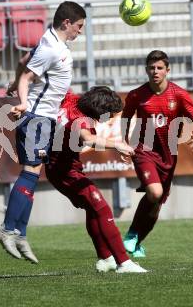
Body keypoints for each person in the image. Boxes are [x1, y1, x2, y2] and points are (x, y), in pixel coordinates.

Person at [0, 1, 86, 264]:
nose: (80, 32)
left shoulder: (53, 44)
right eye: (79, 27)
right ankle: (7, 228)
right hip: (35, 116)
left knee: (33, 173)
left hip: (43, 116)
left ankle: (19, 233)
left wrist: (13, 83)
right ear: (67, 23)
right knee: (30, 171)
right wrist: (21, 101)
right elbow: (27, 77)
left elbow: (24, 62)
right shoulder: (51, 47)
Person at [45, 86, 147, 273]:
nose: (110, 120)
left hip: (62, 168)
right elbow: (89, 139)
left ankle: (105, 258)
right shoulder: (82, 120)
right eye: (110, 115)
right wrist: (117, 145)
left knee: (93, 210)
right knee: (102, 208)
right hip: (65, 172)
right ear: (100, 110)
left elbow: (57, 85)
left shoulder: (72, 99)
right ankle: (124, 263)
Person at [121, 50, 193, 258]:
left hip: (168, 156)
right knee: (155, 193)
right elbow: (126, 118)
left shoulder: (178, 94)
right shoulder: (136, 95)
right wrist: (123, 143)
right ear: (146, 70)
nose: (155, 71)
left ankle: (137, 241)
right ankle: (131, 234)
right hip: (144, 150)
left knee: (155, 205)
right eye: (151, 68)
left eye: (159, 68)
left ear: (167, 70)